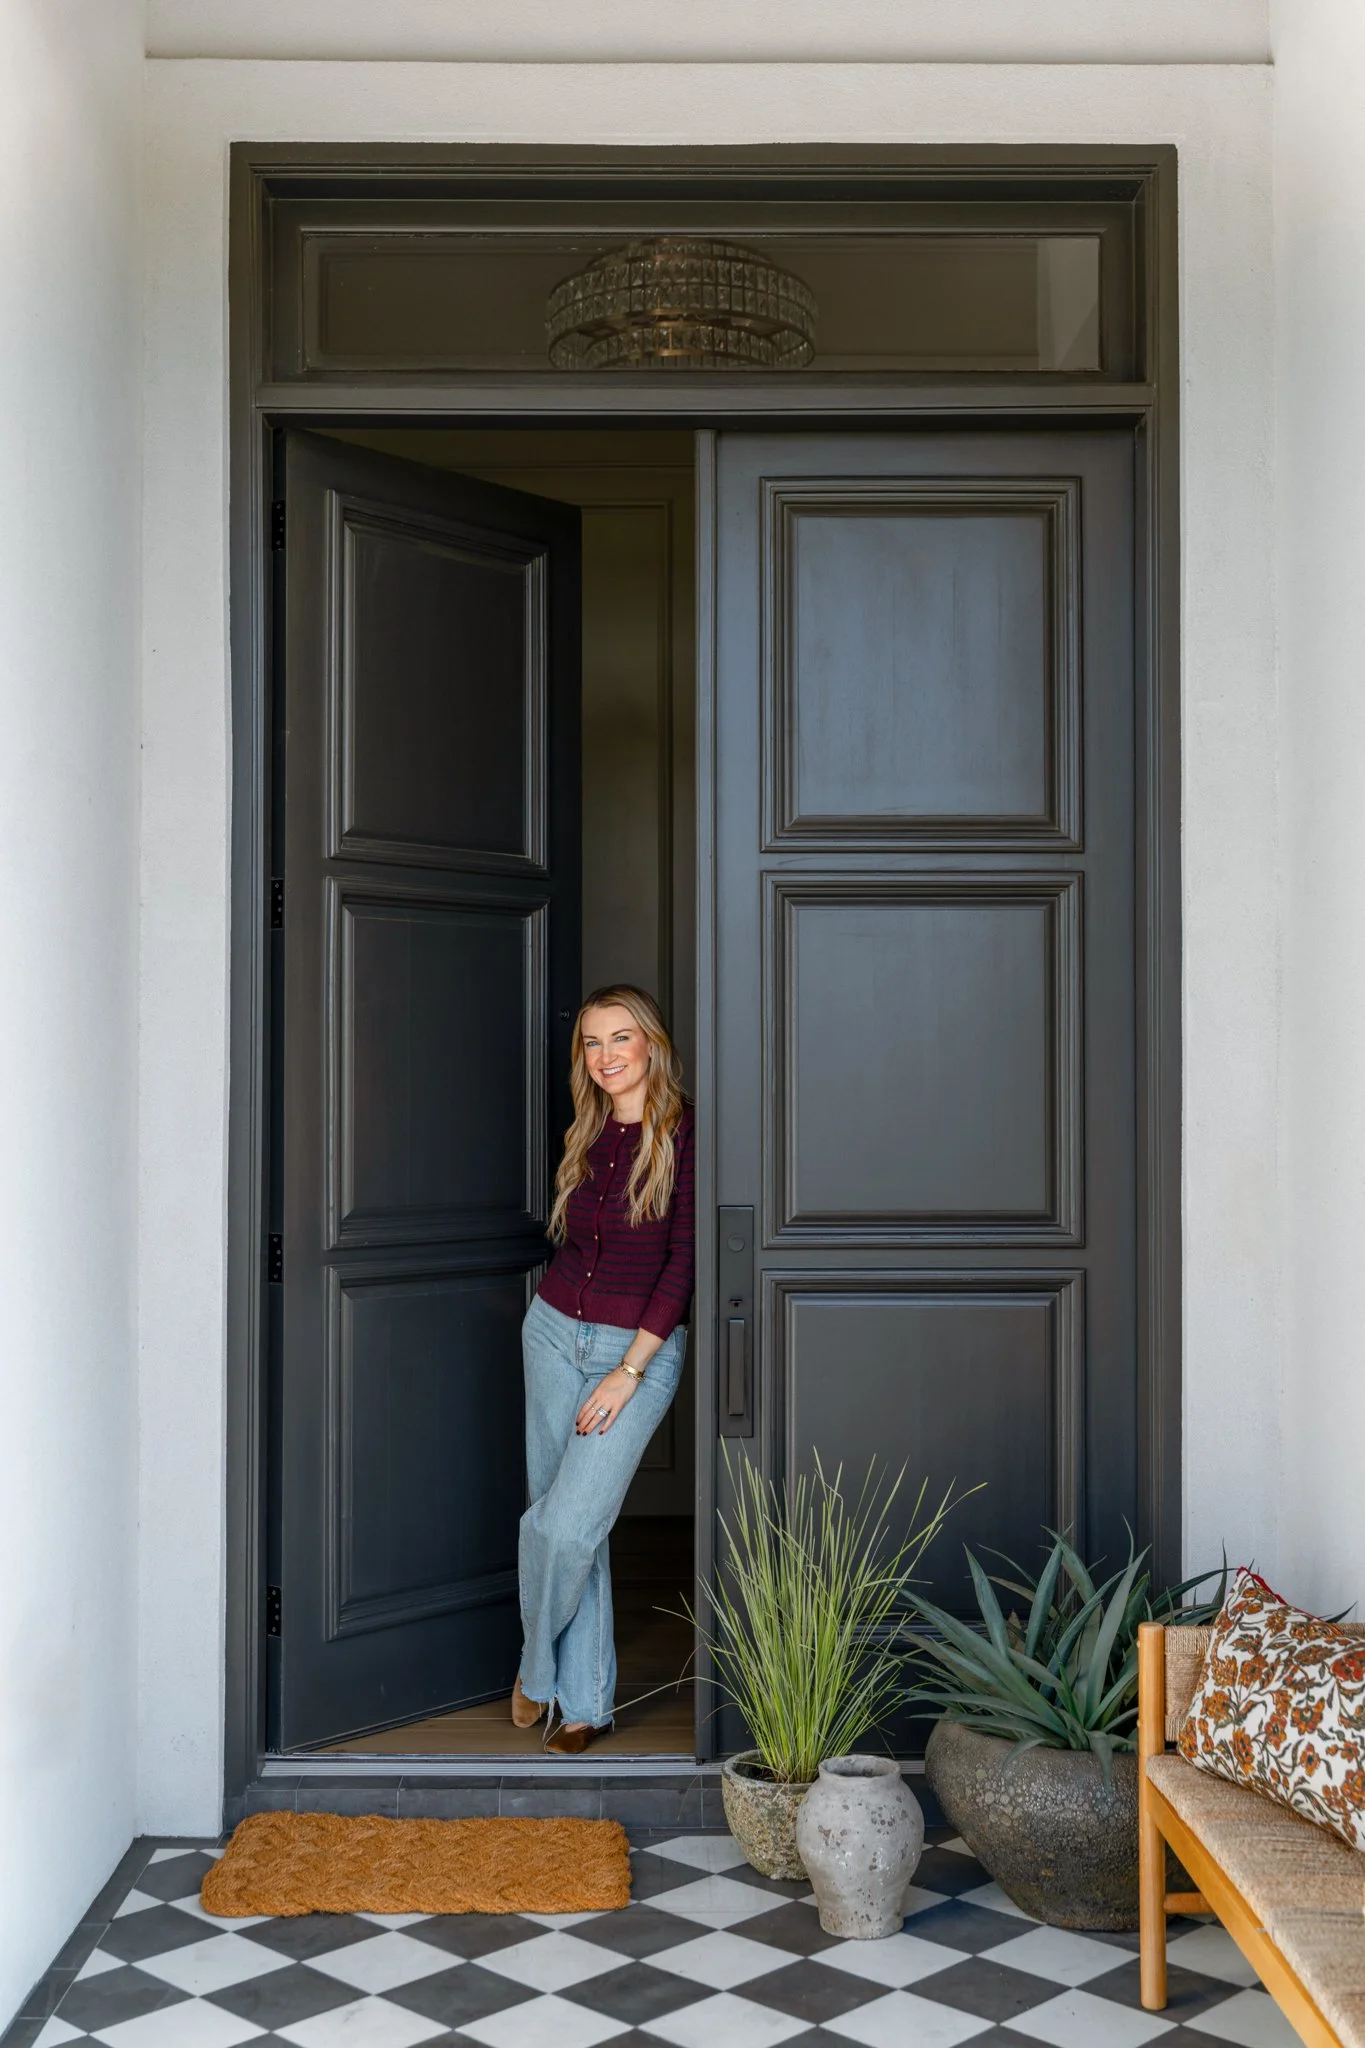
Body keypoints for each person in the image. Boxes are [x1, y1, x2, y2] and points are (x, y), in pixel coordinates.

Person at [513, 984, 695, 1754]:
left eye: (621, 1038)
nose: (607, 1056)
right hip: (553, 1334)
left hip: (635, 1353)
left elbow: (682, 1265)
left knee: (562, 1524)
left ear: (650, 1044)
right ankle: (585, 1704)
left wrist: (628, 1370)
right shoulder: (585, 1133)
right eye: (592, 1043)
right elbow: (575, 1250)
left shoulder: (685, 1137)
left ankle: (531, 1670)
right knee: (572, 1527)